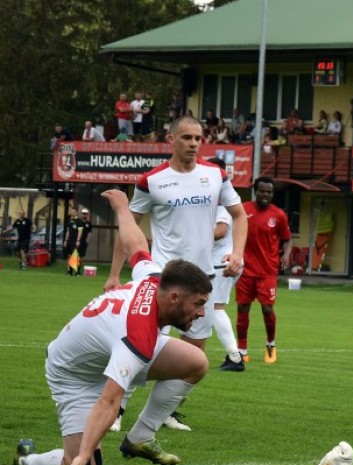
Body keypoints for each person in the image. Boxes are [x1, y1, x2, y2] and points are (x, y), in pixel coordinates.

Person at [13, 188, 212, 465]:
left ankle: (140, 438)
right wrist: (82, 456)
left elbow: (135, 243)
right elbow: (109, 400)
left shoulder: (154, 277)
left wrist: (122, 208)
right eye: (198, 303)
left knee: (195, 362)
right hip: (73, 374)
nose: (201, 312)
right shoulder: (137, 335)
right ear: (173, 298)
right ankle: (27, 461)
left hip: (107, 349)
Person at [105, 114, 247, 432]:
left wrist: (237, 252)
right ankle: (116, 409)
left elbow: (239, 215)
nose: (194, 143)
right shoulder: (151, 181)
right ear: (172, 140)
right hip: (162, 279)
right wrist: (114, 275)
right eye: (187, 138)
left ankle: (162, 414)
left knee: (192, 356)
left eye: (198, 138)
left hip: (203, 281)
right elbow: (129, 227)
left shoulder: (216, 175)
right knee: (143, 344)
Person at [236, 177, 292, 364]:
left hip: (267, 271)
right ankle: (242, 349)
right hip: (245, 269)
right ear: (255, 191)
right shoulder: (243, 210)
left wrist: (286, 255)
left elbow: (287, 239)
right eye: (262, 191)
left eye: (269, 192)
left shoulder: (278, 215)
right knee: (243, 307)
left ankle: (271, 344)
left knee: (267, 308)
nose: (265, 195)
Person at [204, 157, 245, 372]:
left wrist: (194, 236)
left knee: (215, 308)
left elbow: (221, 231)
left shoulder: (221, 197)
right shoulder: (215, 196)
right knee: (207, 307)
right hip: (220, 262)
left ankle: (235, 358)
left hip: (222, 263)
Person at [63, 206, 82, 276]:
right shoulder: (69, 220)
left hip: (75, 240)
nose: (72, 213)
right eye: (71, 211)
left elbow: (80, 231)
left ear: (76, 212)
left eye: (74, 212)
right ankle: (69, 271)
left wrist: (78, 240)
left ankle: (78, 271)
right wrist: (65, 240)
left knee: (76, 256)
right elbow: (68, 231)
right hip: (69, 240)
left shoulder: (79, 221)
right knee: (70, 256)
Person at [76, 208, 93, 275]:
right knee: (76, 255)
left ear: (87, 214)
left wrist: (87, 241)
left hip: (84, 242)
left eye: (86, 214)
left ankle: (79, 269)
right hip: (78, 241)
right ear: (81, 214)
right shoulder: (78, 221)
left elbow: (89, 233)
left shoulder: (88, 223)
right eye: (83, 213)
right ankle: (72, 269)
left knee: (81, 256)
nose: (84, 215)